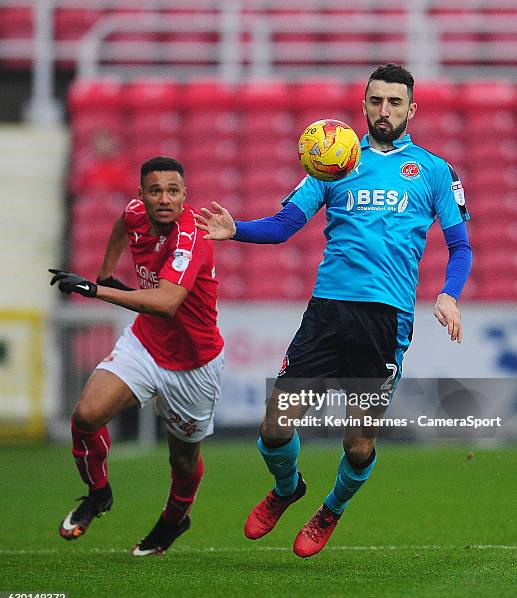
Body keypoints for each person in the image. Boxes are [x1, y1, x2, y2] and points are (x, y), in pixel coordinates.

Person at [194, 64, 472, 558]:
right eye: (374, 101)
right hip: (327, 313)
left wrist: (448, 293)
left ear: (412, 109)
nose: (382, 110)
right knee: (274, 426)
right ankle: (286, 489)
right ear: (363, 104)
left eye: (393, 102)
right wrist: (236, 230)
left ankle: (331, 509)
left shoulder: (434, 171)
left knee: (358, 444)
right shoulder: (334, 160)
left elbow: (461, 247)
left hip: (385, 323)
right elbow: (284, 226)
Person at [49, 156, 224, 556]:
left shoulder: (190, 236)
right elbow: (121, 225)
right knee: (86, 416)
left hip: (194, 365)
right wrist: (107, 272)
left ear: (185, 196)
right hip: (145, 344)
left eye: (173, 191)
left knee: (182, 461)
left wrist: (96, 290)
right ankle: (98, 494)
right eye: (155, 190)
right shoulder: (133, 215)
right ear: (141, 195)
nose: (164, 198)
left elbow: (165, 302)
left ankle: (174, 520)